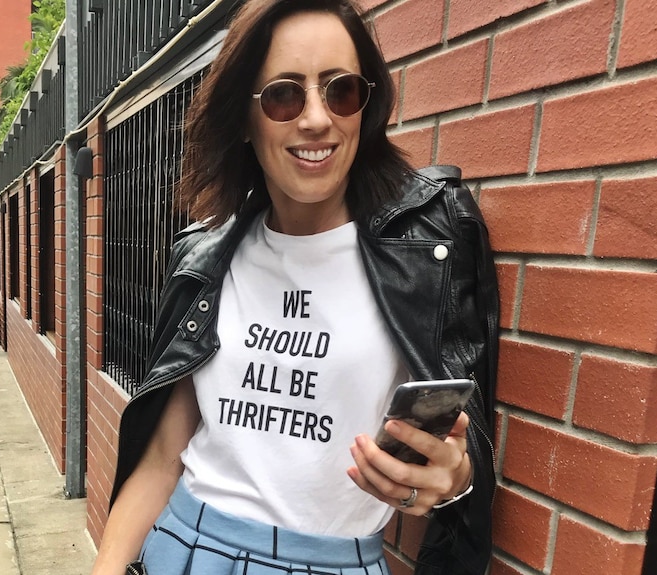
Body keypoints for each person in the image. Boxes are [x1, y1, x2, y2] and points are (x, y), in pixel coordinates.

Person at [91, 0, 499, 573]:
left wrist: (453, 479)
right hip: (185, 547)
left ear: (366, 106)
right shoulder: (207, 256)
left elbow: (466, 447)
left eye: (341, 91)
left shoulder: (428, 251)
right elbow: (162, 458)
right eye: (285, 94)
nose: (315, 118)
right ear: (244, 118)